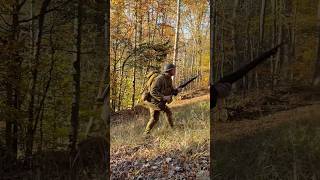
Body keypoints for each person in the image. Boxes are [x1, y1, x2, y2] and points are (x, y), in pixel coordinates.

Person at [143, 63, 182, 135]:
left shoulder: (169, 79)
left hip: (159, 102)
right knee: (154, 118)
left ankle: (172, 128)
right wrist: (163, 97)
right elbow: (153, 91)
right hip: (153, 102)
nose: (175, 71)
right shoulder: (159, 79)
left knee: (166, 113)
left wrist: (176, 91)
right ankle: (145, 134)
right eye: (174, 70)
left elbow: (170, 90)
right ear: (169, 70)